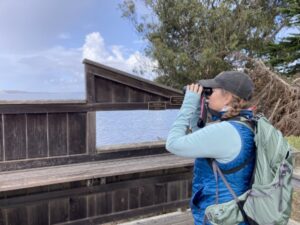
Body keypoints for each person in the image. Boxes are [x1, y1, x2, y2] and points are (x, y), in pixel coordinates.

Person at [166, 71, 255, 225]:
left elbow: (173, 144)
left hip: (220, 217)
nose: (208, 95)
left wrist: (187, 105)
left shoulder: (225, 130)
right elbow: (203, 137)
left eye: (211, 91)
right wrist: (195, 109)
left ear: (227, 96)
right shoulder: (244, 123)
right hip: (233, 212)